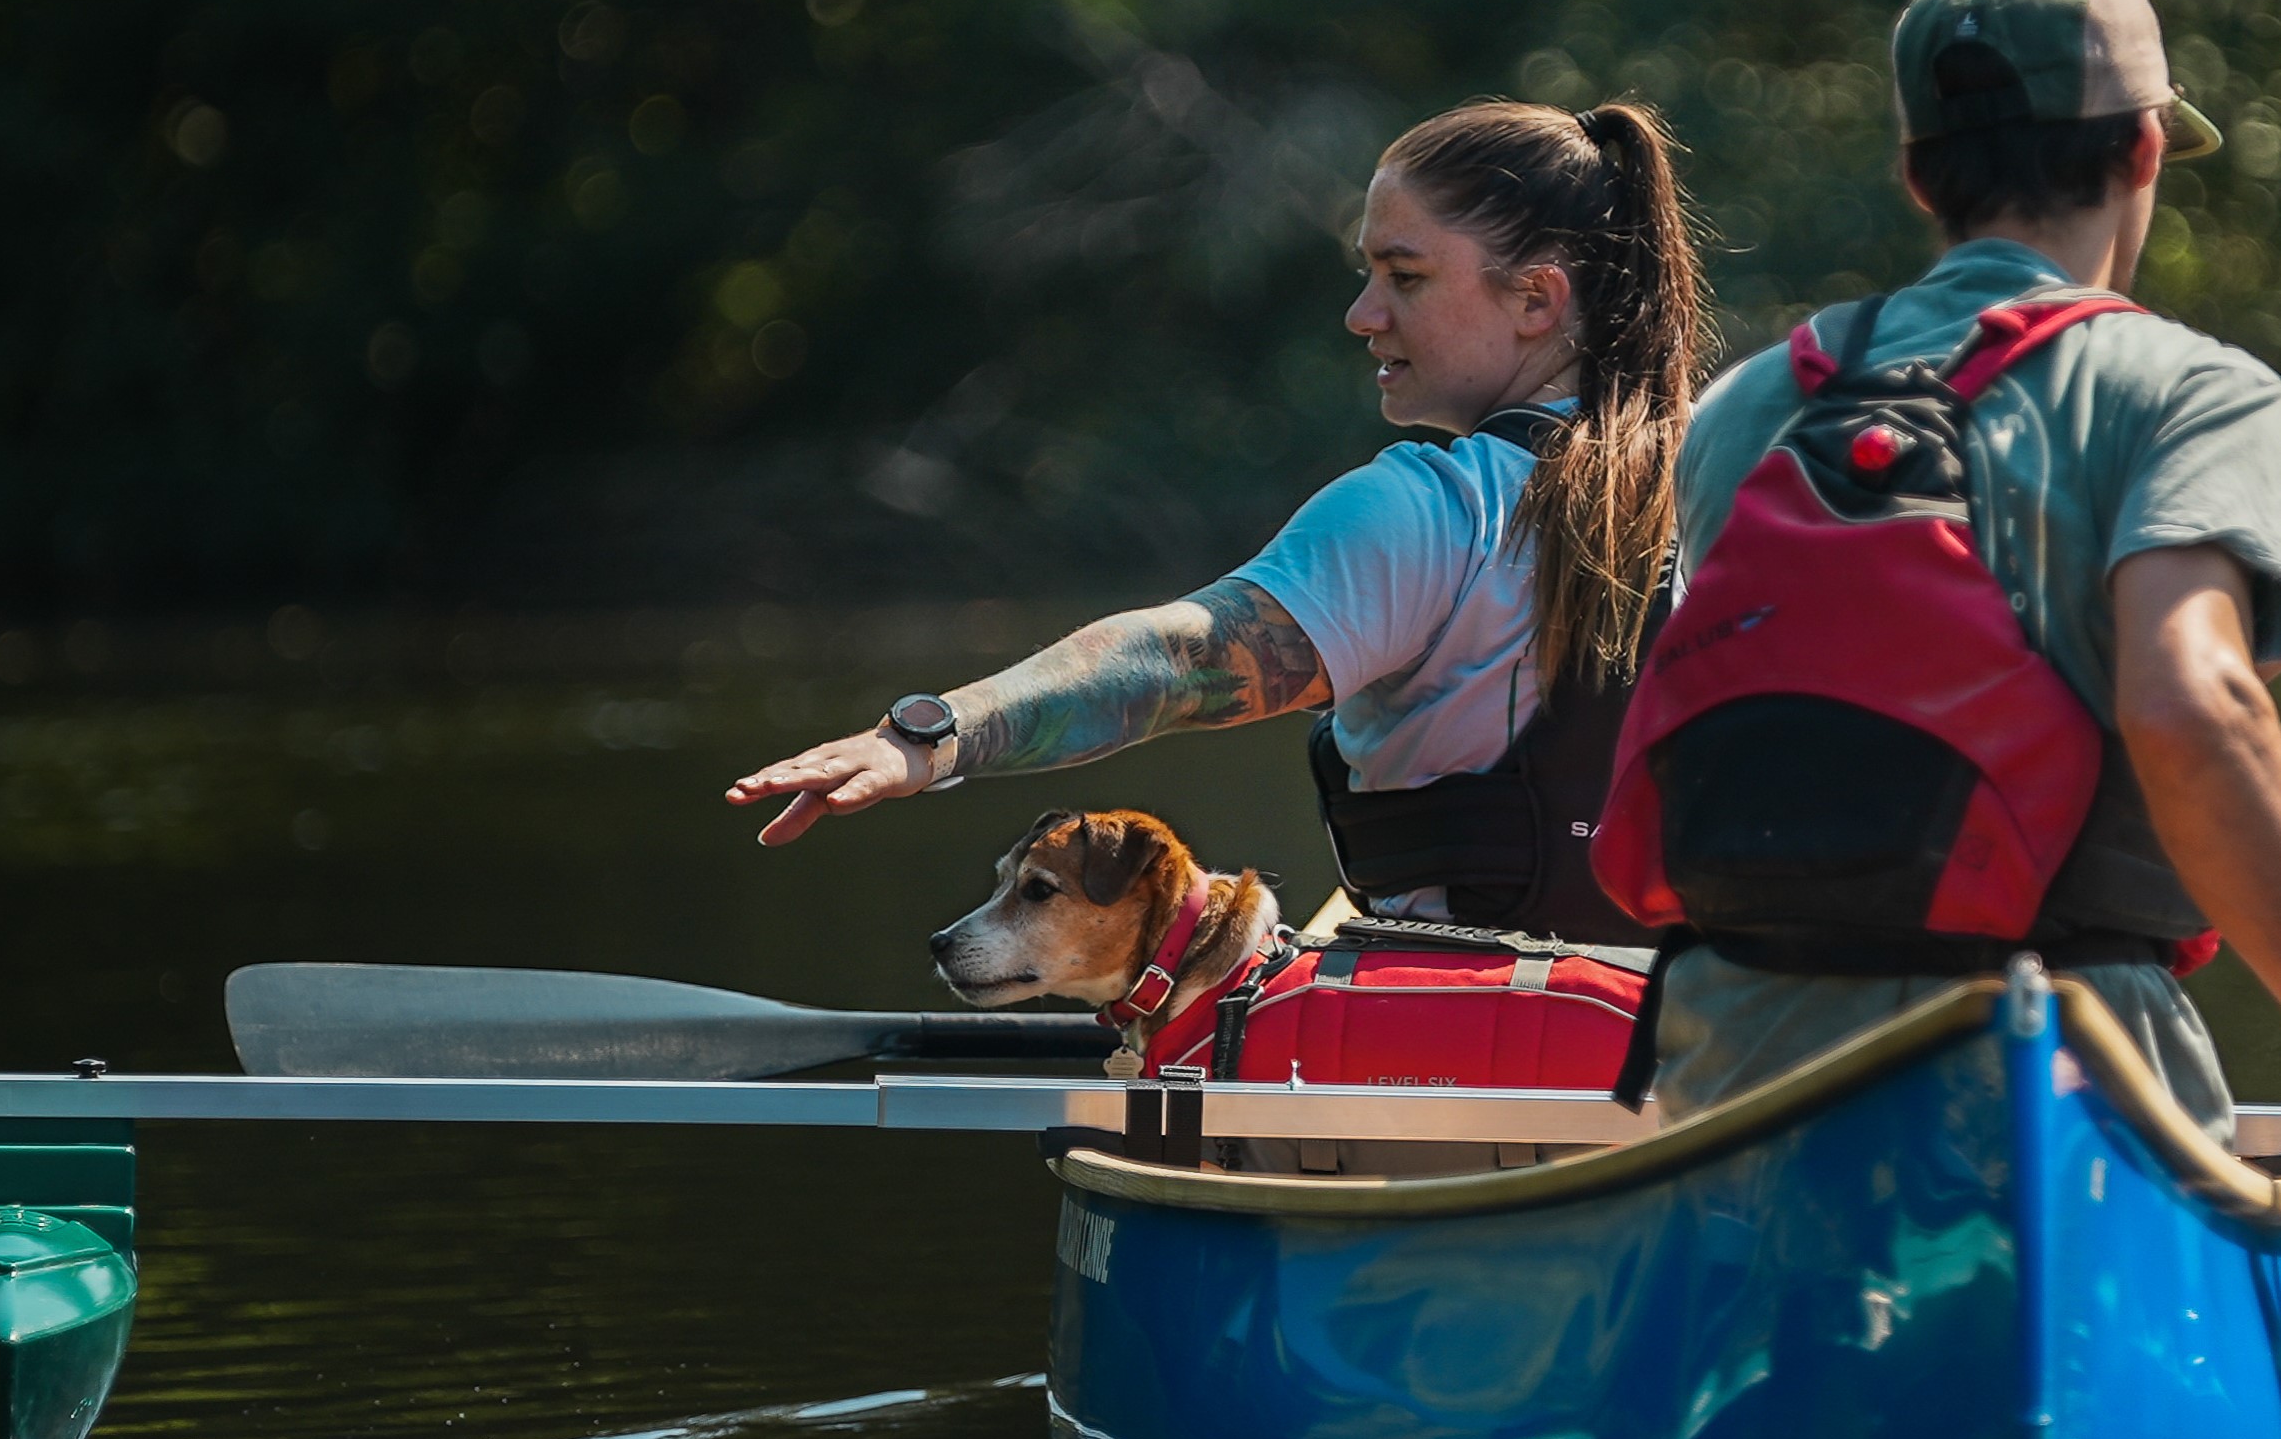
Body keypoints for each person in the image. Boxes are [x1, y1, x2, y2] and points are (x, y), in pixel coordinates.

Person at [726, 99, 1712, 972]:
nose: (1361, 315)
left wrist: (938, 733)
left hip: (1473, 1048)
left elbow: (1176, 660)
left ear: (1536, 298)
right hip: (1704, 1032)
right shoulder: (1748, 484)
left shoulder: (1431, 509)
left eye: (1402, 277)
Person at [1620, 0, 2281, 1133]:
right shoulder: (2188, 394)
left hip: (1736, 1090)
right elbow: (2193, 710)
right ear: (2142, 150)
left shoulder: (1747, 406)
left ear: (1920, 176)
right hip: (2063, 1082)